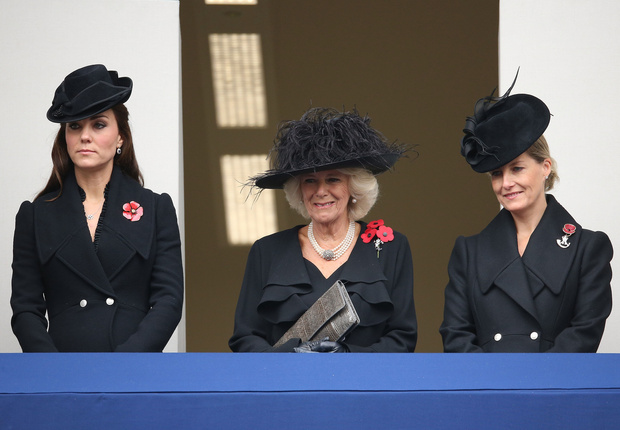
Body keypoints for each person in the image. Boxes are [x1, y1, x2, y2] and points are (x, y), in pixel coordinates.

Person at [10, 64, 184, 352]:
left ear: (120, 137)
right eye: (75, 126)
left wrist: (124, 364)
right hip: (62, 369)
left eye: (99, 125)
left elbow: (169, 301)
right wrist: (53, 369)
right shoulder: (35, 214)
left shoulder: (156, 208)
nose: (85, 136)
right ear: (65, 136)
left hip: (133, 367)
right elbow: (26, 308)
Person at [440, 76, 613, 352]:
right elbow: (456, 336)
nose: (506, 183)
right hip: (487, 380)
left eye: (517, 168)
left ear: (545, 167)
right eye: (497, 174)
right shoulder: (468, 252)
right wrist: (492, 379)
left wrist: (536, 378)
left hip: (554, 380)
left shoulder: (588, 249)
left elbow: (584, 334)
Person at [229, 107, 417, 352]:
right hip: (288, 376)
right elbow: (245, 338)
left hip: (362, 377)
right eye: (310, 181)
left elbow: (402, 339)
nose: (320, 191)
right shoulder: (267, 251)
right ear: (299, 190)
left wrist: (348, 356)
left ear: (353, 187)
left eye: (333, 179)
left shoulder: (391, 248)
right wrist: (293, 356)